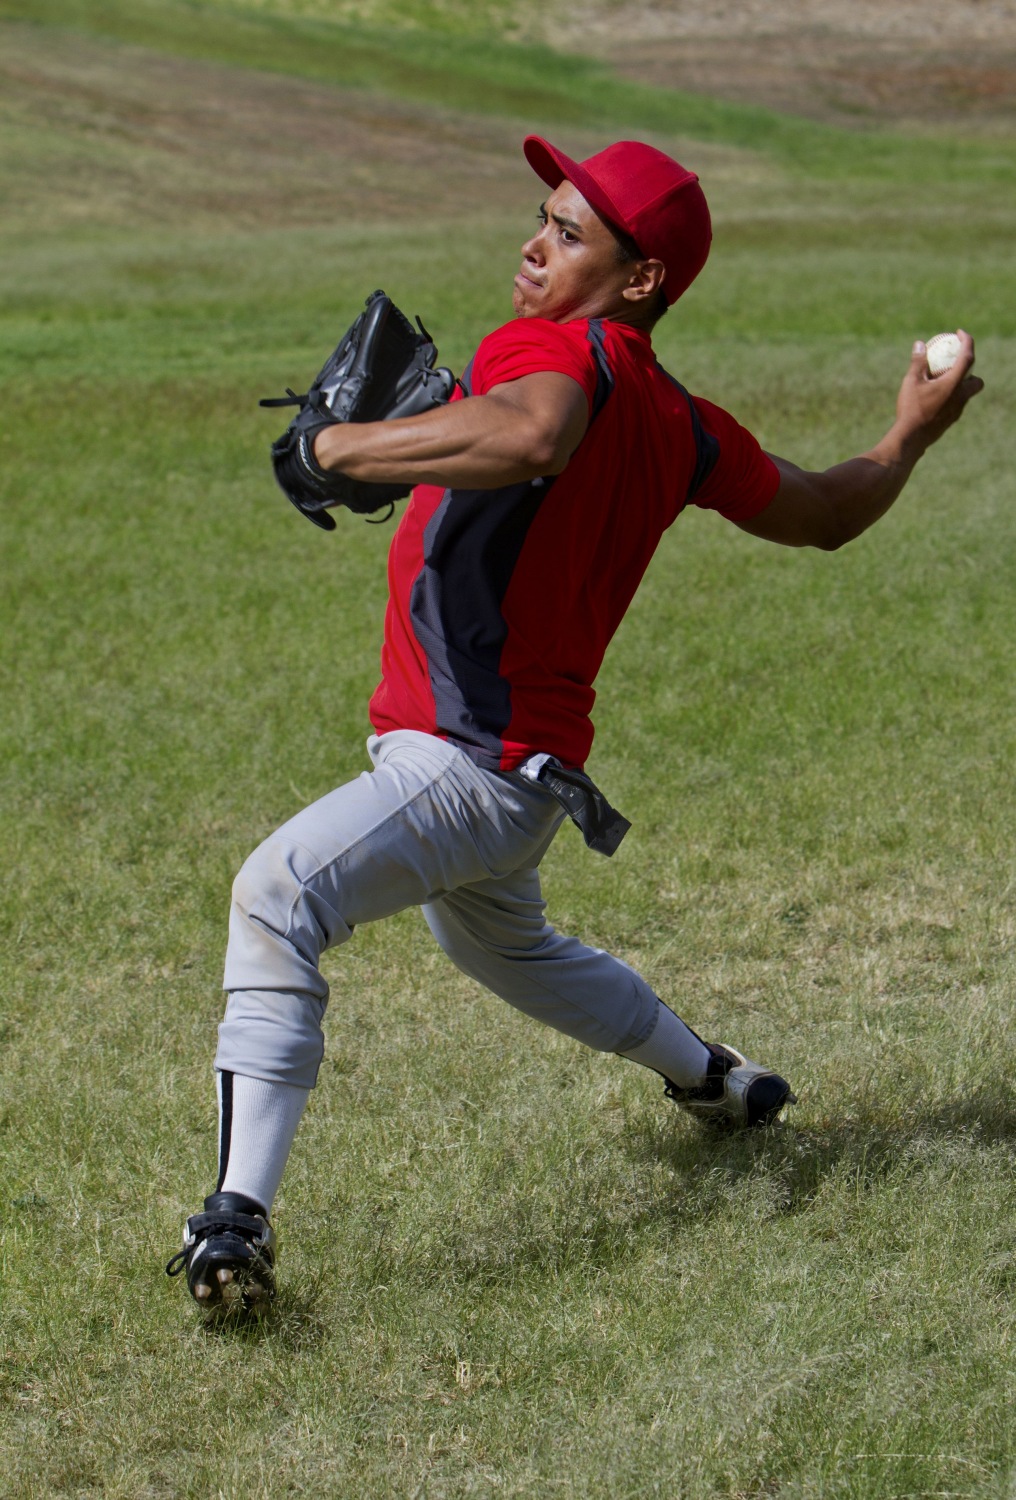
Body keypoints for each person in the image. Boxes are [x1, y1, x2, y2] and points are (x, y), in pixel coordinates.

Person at [166, 136, 983, 1310]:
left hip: (466, 766)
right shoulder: (680, 421)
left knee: (277, 895)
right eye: (540, 220)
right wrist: (908, 432)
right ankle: (714, 1081)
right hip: (526, 787)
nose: (532, 246)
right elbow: (823, 511)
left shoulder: (550, 350)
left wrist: (339, 445)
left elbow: (534, 432)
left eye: (567, 232)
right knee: (503, 948)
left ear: (639, 278)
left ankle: (233, 1221)